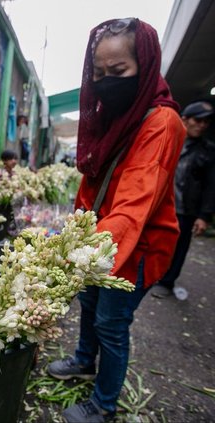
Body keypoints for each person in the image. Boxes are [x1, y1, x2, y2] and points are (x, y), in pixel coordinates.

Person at [47, 18, 186, 422]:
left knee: (111, 322)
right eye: (99, 74)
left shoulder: (161, 123)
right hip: (101, 237)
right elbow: (93, 185)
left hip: (135, 245)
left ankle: (104, 405)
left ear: (145, 65)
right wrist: (71, 236)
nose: (107, 82)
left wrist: (74, 256)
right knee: (89, 303)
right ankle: (82, 361)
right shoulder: (113, 116)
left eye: (119, 72)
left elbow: (133, 206)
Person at [151, 101, 215, 300]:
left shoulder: (208, 150)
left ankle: (167, 281)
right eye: (198, 120)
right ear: (184, 119)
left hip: (186, 209)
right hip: (161, 205)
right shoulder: (167, 140)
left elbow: (211, 186)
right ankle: (152, 274)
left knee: (179, 247)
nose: (202, 125)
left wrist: (204, 216)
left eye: (206, 122)